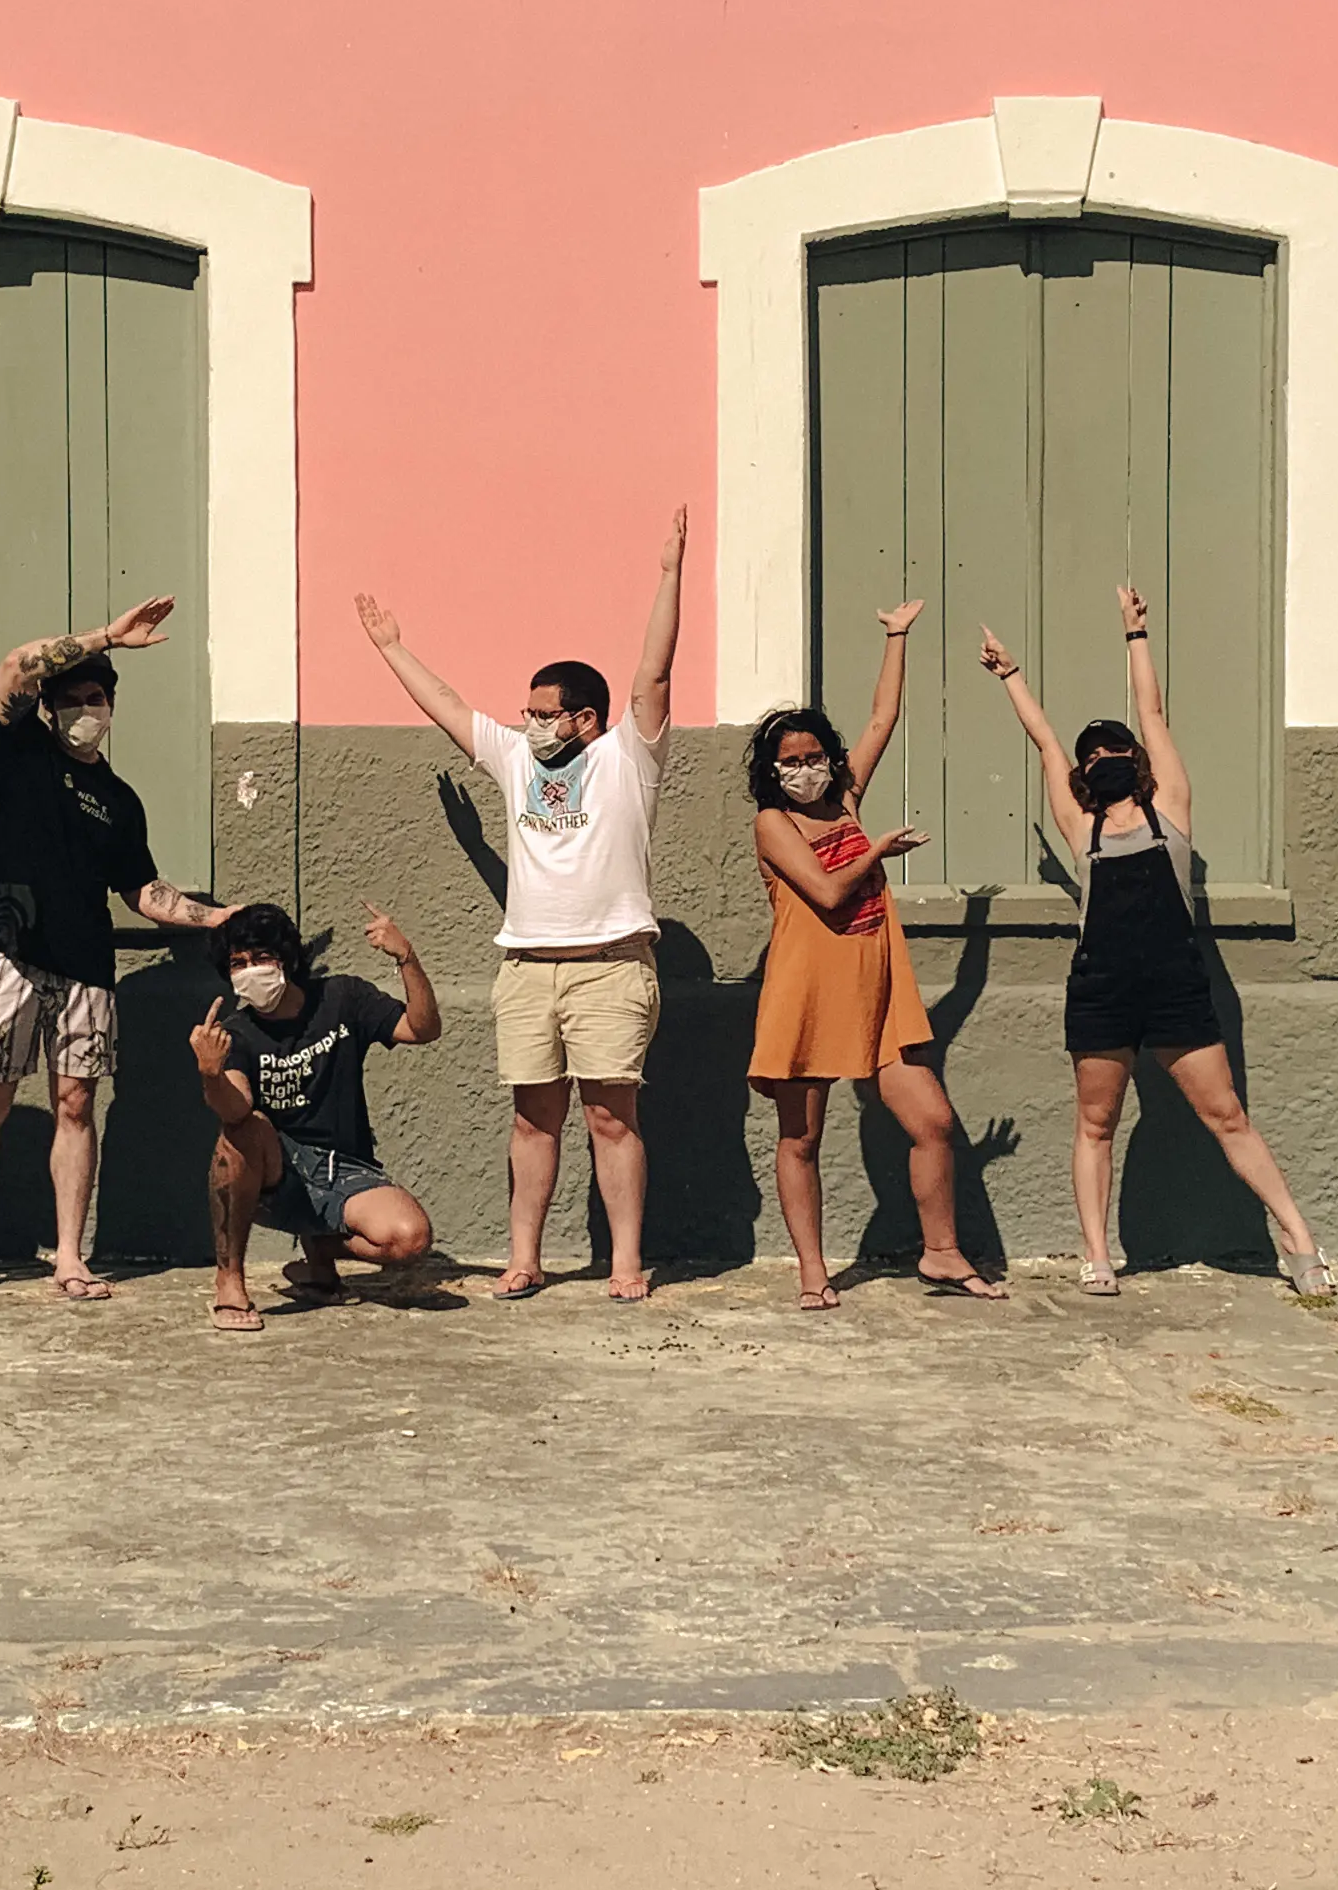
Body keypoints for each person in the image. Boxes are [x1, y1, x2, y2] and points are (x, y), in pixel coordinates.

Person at [355, 505, 685, 1303]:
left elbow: (653, 675)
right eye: (528, 711)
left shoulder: (626, 759)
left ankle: (626, 1263)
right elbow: (448, 705)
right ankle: (525, 1257)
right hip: (529, 971)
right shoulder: (512, 760)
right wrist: (392, 647)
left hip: (611, 969)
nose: (530, 722)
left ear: (586, 719)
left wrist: (671, 575)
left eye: (545, 712)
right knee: (533, 1121)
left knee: (612, 1119)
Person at [981, 589, 1334, 1302]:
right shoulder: (1081, 831)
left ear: (1136, 760)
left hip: (1176, 985)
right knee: (1096, 1122)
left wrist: (1135, 633)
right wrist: (1011, 675)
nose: (1104, 758)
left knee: (1227, 1114)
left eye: (1115, 750)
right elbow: (1046, 742)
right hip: (1102, 989)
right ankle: (1096, 1256)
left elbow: (1154, 714)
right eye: (1094, 755)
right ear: (1084, 773)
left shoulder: (1169, 811)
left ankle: (1298, 1240)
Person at [0, 595, 234, 1305]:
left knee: (76, 1106)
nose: (89, 707)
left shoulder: (121, 799)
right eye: (75, 697)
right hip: (10, 958)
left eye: (98, 697)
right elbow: (16, 664)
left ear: (112, 708)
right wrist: (107, 636)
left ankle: (71, 1259)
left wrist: (218, 916)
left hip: (89, 973)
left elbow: (144, 892)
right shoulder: (18, 748)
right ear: (48, 708)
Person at [742, 600, 1004, 1307]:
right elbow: (827, 895)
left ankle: (942, 1254)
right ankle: (812, 1273)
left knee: (934, 1125)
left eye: (814, 757)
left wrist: (896, 636)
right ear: (772, 768)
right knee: (800, 1140)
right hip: (806, 997)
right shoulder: (774, 822)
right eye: (790, 761)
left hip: (878, 998)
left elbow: (884, 718)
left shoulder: (845, 797)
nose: (805, 769)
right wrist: (880, 850)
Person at [188, 900, 445, 1332]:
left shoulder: (343, 998)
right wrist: (210, 1074)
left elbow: (422, 1029)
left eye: (262, 958)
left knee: (410, 1239)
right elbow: (237, 1109)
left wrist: (407, 958)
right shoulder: (237, 1032)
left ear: (287, 959)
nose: (251, 970)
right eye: (238, 963)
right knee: (244, 1130)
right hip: (277, 1172)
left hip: (346, 1168)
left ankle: (321, 1253)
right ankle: (230, 1280)